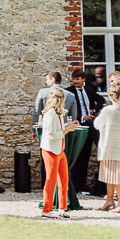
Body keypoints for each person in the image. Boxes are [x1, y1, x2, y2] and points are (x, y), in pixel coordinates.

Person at [94, 83, 120, 212]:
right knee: (112, 175)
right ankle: (110, 201)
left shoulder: (107, 110)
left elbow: (96, 124)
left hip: (109, 146)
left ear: (109, 96)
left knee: (116, 176)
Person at [38, 88, 76, 218]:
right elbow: (51, 135)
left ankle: (62, 208)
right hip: (50, 150)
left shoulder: (59, 114)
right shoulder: (50, 115)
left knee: (64, 179)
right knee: (51, 179)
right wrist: (67, 130)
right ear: (60, 100)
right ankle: (46, 210)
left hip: (60, 150)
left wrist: (66, 128)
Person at [65, 69, 101, 198]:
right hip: (77, 125)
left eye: (77, 79)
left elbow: (101, 100)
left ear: (83, 79)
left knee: (86, 154)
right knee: (77, 155)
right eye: (73, 79)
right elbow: (67, 109)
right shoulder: (68, 91)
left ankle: (83, 183)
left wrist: (94, 112)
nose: (75, 81)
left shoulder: (89, 90)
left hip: (90, 125)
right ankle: (74, 184)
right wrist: (82, 117)